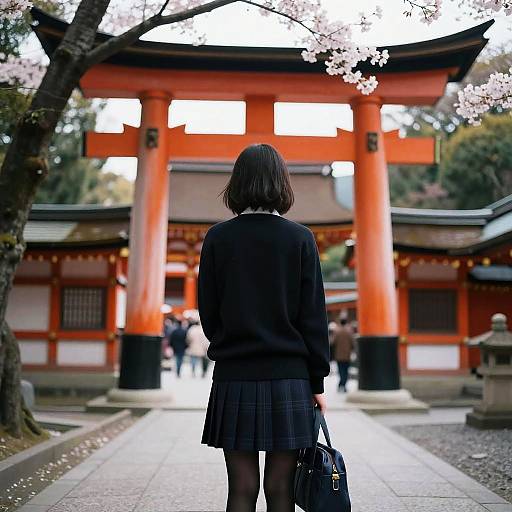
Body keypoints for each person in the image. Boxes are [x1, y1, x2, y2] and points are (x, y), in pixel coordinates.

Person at [198, 144, 330, 512]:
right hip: (289, 377)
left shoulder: (218, 238)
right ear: (281, 183)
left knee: (241, 487)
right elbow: (314, 318)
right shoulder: (300, 238)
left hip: (233, 377)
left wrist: (228, 343)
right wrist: (316, 382)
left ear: (236, 184)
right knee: (280, 488)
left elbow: (208, 312)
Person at [332, 317, 354, 392]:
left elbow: (333, 342)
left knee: (341, 371)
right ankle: (343, 385)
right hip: (347, 355)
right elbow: (352, 343)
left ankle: (341, 384)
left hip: (339, 355)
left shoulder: (337, 332)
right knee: (346, 370)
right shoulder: (349, 332)